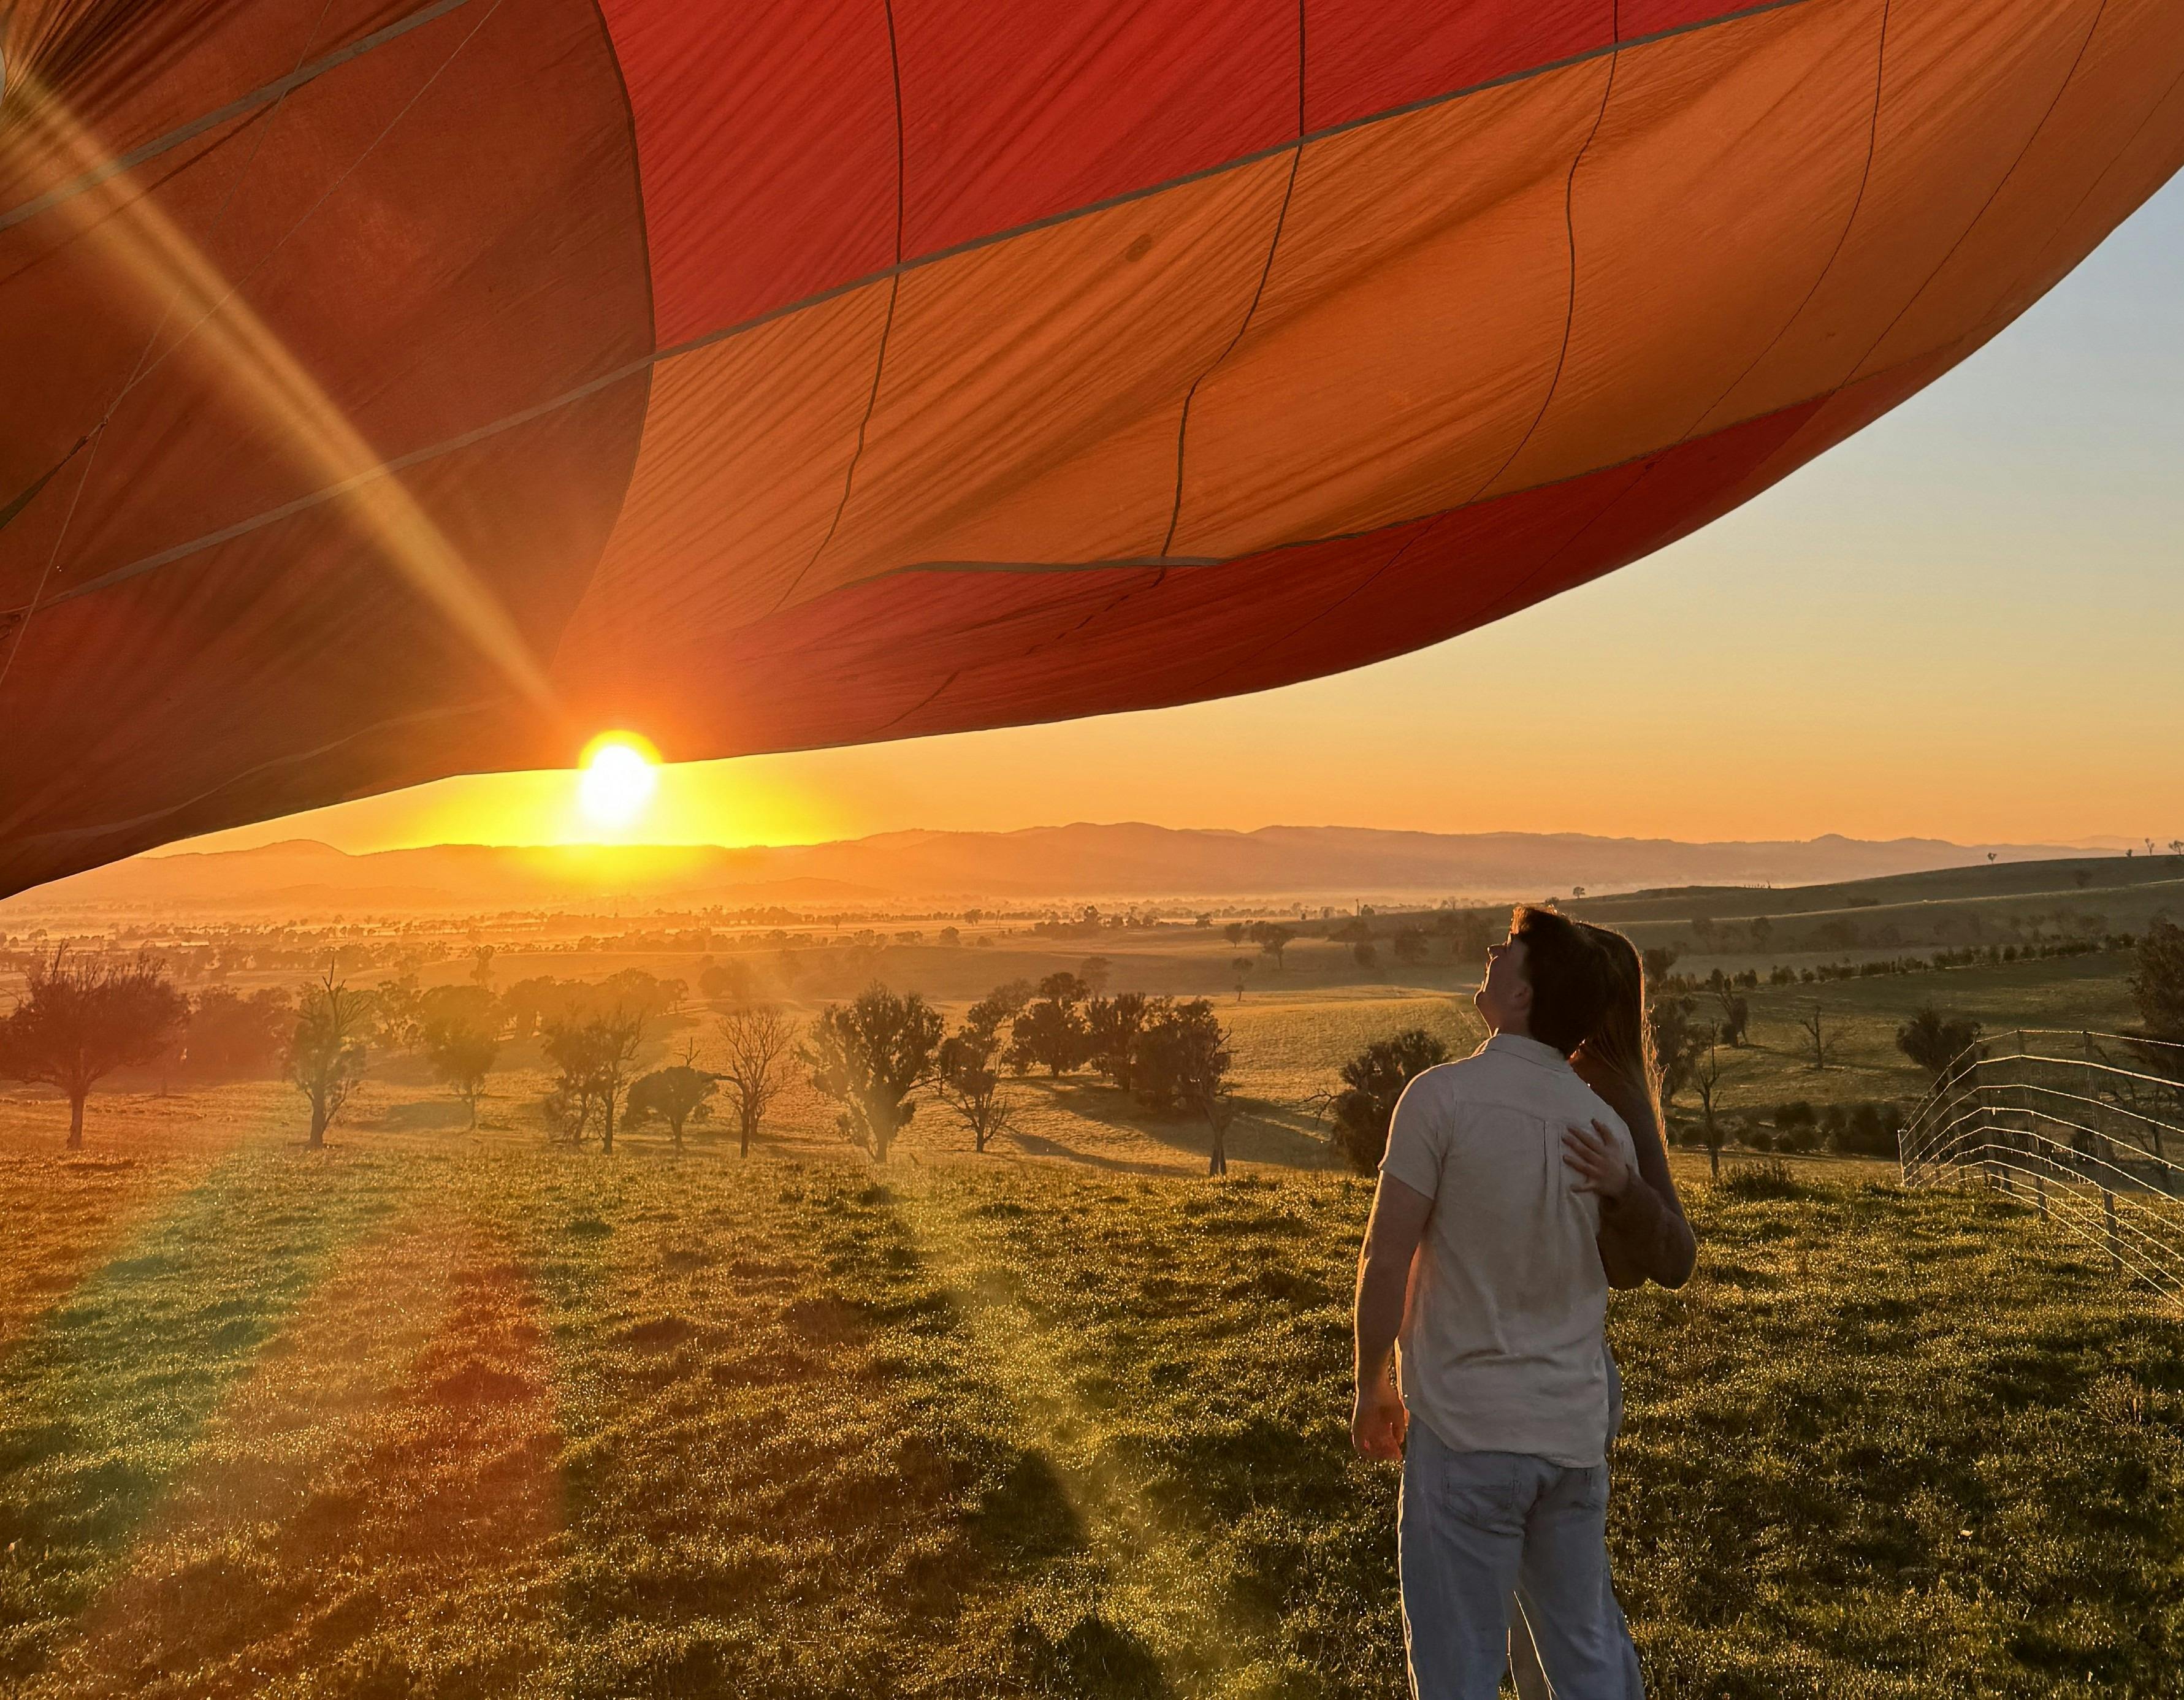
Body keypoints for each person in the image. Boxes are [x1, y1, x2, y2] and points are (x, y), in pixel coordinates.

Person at [1351, 905, 1644, 1698]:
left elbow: (1386, 1255)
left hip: (1466, 1432)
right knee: (1584, 1651)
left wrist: (1369, 1380)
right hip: (1570, 1437)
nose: (1490, 951)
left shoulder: (1439, 1099)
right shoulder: (1601, 1124)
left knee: (1458, 1669)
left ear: (1522, 997)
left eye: (1507, 950)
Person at [1505, 921, 1695, 1699]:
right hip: (1540, 1365)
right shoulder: (1558, 1077)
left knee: (1565, 1607)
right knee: (1538, 1602)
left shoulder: (1596, 1089)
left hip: (1559, 1371)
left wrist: (1622, 1190)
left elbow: (1671, 1256)